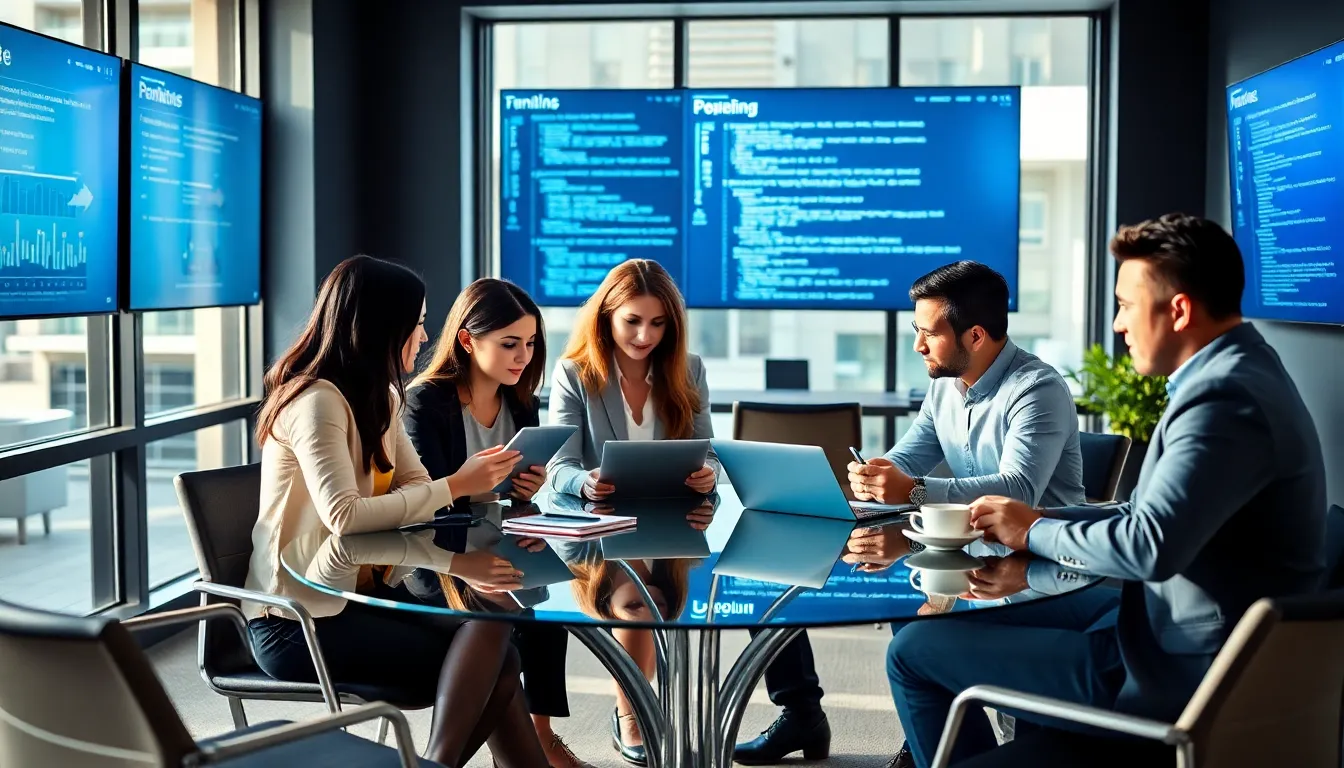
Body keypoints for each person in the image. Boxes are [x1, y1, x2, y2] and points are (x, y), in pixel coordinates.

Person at [887, 213, 1327, 768]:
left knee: (914, 650)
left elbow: (1149, 545)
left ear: (1180, 310)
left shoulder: (1224, 401)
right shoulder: (1239, 374)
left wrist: (1034, 529)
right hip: (1153, 630)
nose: (1118, 325)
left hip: (1173, 670)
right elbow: (1139, 513)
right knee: (945, 625)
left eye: (1125, 305)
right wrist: (1037, 525)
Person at [736, 261, 1087, 766]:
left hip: (1034, 570)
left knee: (918, 627)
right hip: (967, 554)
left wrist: (915, 490)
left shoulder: (1037, 390)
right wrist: (878, 474)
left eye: (928, 333)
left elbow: (1019, 488)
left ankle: (951, 743)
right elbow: (910, 456)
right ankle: (932, 743)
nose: (918, 344)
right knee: (905, 607)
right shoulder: (946, 385)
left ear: (977, 334)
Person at [243, 255, 547, 768]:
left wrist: (449, 498)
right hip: (296, 622)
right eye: (418, 323)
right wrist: (456, 486)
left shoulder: (380, 397)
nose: (426, 336)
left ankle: (435, 764)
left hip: (357, 595)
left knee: (500, 638)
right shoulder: (316, 400)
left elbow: (416, 489)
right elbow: (346, 515)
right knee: (496, 642)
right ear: (383, 328)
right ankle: (436, 764)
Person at [401, 278, 589, 768]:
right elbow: (425, 503)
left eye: (529, 344)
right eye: (509, 344)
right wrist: (482, 488)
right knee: (509, 609)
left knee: (549, 602)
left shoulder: (519, 399)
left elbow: (504, 496)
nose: (523, 356)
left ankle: (541, 736)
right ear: (467, 340)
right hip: (437, 552)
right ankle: (535, 749)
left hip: (495, 535)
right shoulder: (427, 402)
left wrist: (524, 493)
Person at [546, 258, 719, 762]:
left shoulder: (688, 370)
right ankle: (634, 712)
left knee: (652, 596)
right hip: (601, 527)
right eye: (633, 321)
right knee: (642, 601)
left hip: (673, 518)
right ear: (607, 317)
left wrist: (707, 471)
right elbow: (559, 466)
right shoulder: (575, 373)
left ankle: (636, 709)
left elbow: (707, 449)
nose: (646, 335)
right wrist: (585, 481)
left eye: (659, 323)